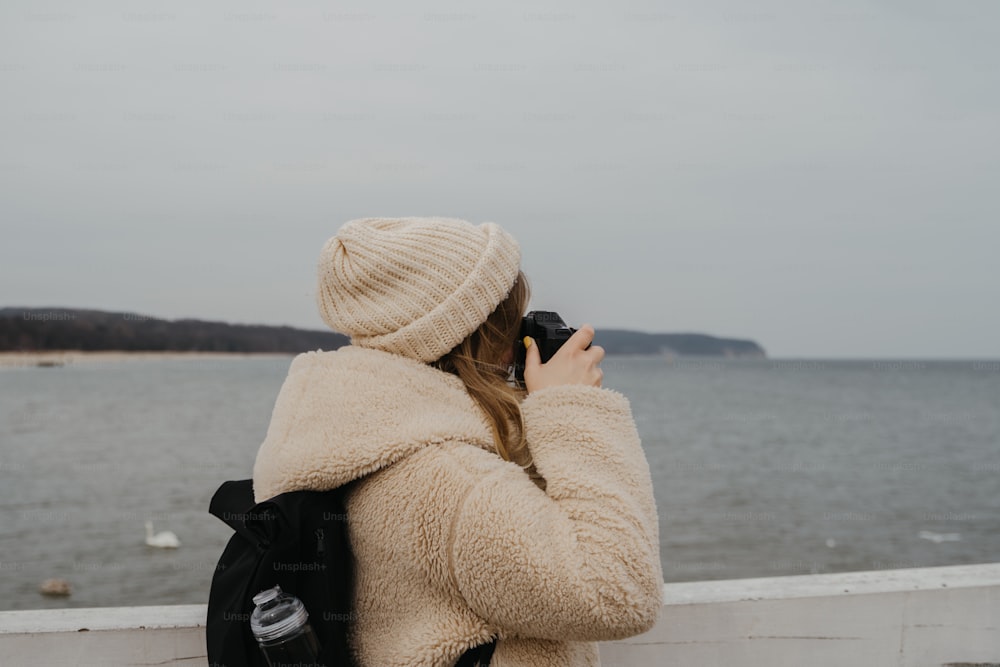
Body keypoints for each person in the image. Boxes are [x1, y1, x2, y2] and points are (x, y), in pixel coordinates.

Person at [252, 217, 663, 667]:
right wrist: (573, 408)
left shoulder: (356, 435)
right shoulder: (448, 480)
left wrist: (525, 409)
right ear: (480, 333)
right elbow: (618, 592)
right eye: (511, 321)